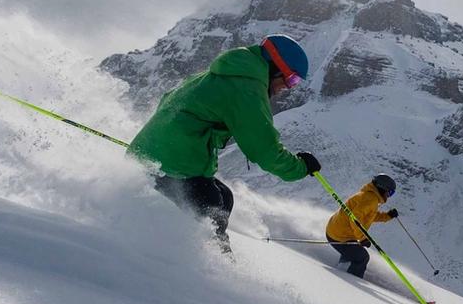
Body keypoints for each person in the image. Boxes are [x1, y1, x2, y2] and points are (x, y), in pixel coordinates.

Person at [127, 34, 321, 250]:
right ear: (275, 67)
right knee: (212, 209)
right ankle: (205, 269)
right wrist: (301, 167)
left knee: (225, 198)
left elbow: (168, 99)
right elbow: (264, 150)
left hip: (152, 151)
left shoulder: (230, 70)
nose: (287, 87)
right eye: (291, 79)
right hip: (171, 163)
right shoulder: (247, 88)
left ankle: (195, 251)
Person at [325, 174, 398, 278]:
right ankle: (351, 281)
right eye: (390, 192)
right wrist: (362, 238)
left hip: (338, 231)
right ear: (382, 188)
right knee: (362, 257)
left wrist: (387, 216)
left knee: (354, 252)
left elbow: (369, 216)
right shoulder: (370, 199)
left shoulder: (370, 196)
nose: (389, 196)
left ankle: (341, 270)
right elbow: (355, 219)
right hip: (339, 236)